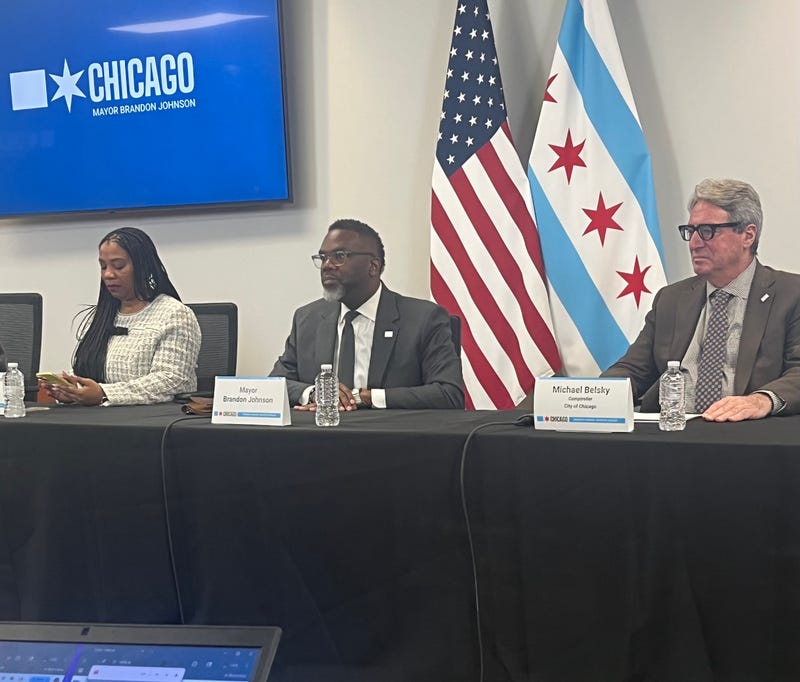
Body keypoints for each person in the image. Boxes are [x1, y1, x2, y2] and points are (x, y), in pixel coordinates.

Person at [603, 178, 800, 421]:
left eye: (708, 231)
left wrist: (762, 399)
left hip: (747, 435)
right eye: (691, 231)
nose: (695, 244)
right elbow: (634, 369)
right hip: (673, 432)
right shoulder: (671, 299)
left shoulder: (791, 294)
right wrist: (591, 397)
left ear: (748, 235)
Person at [270, 218, 464, 409]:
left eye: (339, 256)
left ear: (373, 266)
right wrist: (315, 393)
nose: (327, 265)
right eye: (322, 257)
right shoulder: (307, 319)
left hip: (388, 437)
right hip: (321, 437)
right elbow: (274, 386)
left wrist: (367, 397)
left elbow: (449, 394)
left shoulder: (422, 318)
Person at [41, 227, 201, 406]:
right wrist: (72, 391)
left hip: (153, 423)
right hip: (97, 419)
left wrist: (104, 393)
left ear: (143, 266)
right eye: (103, 266)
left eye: (118, 266)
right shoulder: (101, 315)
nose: (108, 274)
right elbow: (88, 371)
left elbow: (171, 380)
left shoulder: (175, 315)